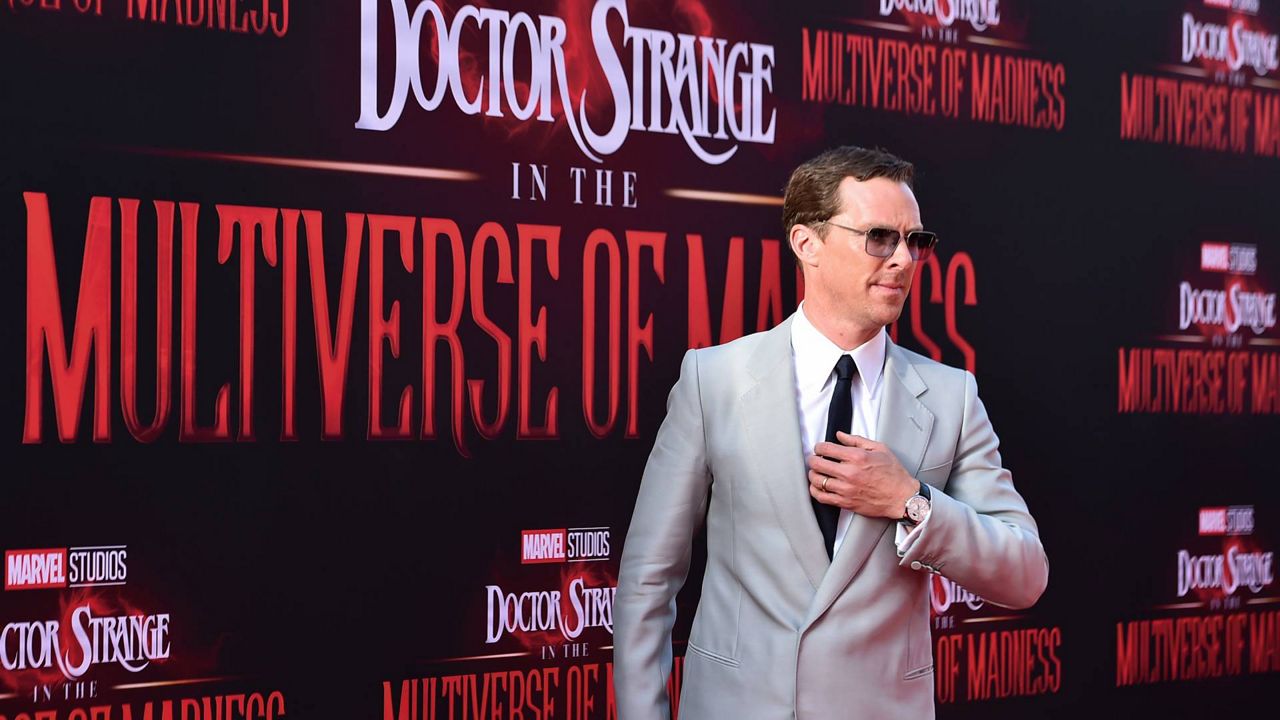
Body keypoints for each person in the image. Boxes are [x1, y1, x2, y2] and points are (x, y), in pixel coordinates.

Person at [612, 146, 1048, 719]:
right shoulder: (713, 380)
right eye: (879, 238)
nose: (902, 259)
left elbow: (1024, 573)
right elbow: (648, 582)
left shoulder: (950, 398)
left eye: (914, 241)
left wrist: (911, 502)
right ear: (807, 244)